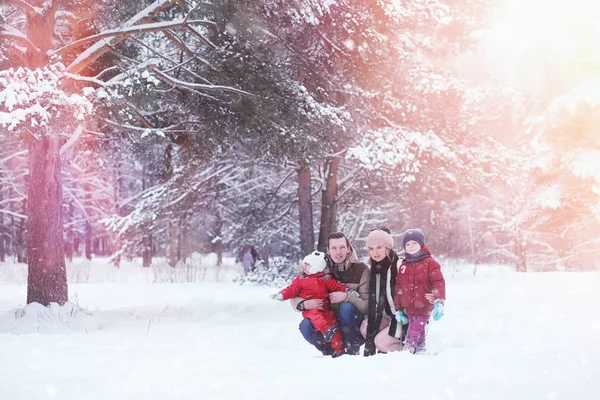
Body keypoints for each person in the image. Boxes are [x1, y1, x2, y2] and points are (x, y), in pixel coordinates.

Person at [290, 232, 370, 356]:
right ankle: (332, 351)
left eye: (342, 247)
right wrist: (303, 304)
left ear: (348, 248)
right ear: (328, 250)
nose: (338, 252)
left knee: (346, 307)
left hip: (353, 326)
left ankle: (351, 351)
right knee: (305, 325)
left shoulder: (361, 269)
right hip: (330, 324)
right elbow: (296, 291)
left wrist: (346, 296)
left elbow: (366, 306)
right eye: (334, 248)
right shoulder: (319, 268)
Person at [271, 251, 358, 357]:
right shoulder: (301, 279)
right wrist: (282, 295)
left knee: (333, 325)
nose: (304, 266)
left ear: (316, 267)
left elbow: (337, 286)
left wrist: (348, 292)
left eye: (308, 264)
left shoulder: (325, 278)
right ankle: (326, 332)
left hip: (324, 308)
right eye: (305, 264)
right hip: (310, 310)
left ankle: (339, 350)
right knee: (316, 319)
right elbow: (291, 289)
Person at [394, 229, 446, 354]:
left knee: (415, 328)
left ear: (421, 244)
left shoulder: (430, 263)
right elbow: (399, 287)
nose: (411, 247)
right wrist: (399, 308)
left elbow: (438, 281)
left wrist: (439, 300)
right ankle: (421, 348)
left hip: (424, 305)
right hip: (410, 307)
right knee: (418, 328)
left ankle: (408, 348)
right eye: (407, 244)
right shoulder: (404, 265)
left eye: (414, 243)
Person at [360, 227, 405, 356]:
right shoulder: (373, 270)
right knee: (366, 327)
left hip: (404, 317)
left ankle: (411, 347)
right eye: (371, 248)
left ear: (387, 248)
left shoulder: (399, 265)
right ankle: (387, 348)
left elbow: (423, 281)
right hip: (388, 316)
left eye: (379, 247)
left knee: (380, 342)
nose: (375, 252)